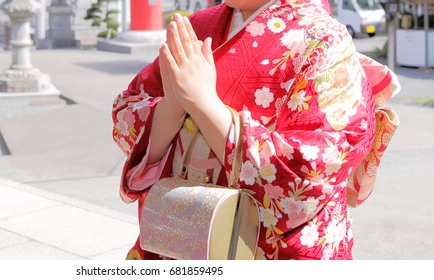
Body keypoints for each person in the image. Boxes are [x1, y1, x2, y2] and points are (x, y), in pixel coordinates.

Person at [112, 0, 399, 260]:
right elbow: (127, 109)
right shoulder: (200, 26)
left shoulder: (324, 39)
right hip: (179, 233)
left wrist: (203, 105)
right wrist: (172, 106)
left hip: (261, 246)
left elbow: (312, 169)